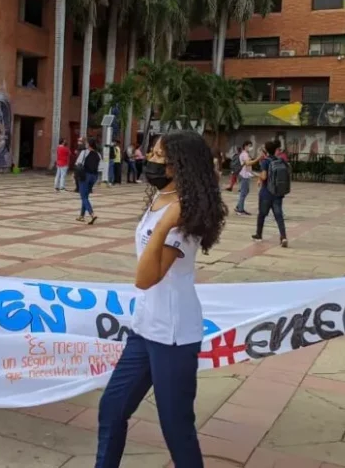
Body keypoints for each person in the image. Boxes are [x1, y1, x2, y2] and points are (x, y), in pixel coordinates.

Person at [95, 130, 226, 468]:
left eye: (156, 155)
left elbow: (145, 277)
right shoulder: (163, 197)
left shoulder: (183, 214)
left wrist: (166, 224)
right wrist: (161, 221)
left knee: (176, 425)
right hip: (145, 328)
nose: (148, 159)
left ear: (177, 166)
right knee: (112, 408)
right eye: (150, 152)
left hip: (173, 334)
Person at [252, 140, 287, 247]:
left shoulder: (265, 161)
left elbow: (264, 177)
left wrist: (256, 174)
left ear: (266, 150)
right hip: (277, 193)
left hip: (266, 193)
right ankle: (283, 237)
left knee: (262, 215)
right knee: (279, 216)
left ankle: (259, 234)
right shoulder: (279, 160)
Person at [77, 138, 101, 224]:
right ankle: (81, 216)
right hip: (94, 176)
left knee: (83, 196)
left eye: (87, 143)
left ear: (89, 145)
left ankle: (92, 214)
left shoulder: (84, 152)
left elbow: (78, 163)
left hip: (85, 175)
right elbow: (100, 167)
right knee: (85, 196)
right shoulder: (98, 154)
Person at [235, 140, 255, 216]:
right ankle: (240, 210)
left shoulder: (244, 154)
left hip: (244, 174)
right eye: (250, 146)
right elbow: (248, 164)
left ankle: (239, 206)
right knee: (243, 193)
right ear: (245, 146)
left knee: (245, 191)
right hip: (244, 175)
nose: (251, 148)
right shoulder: (245, 154)